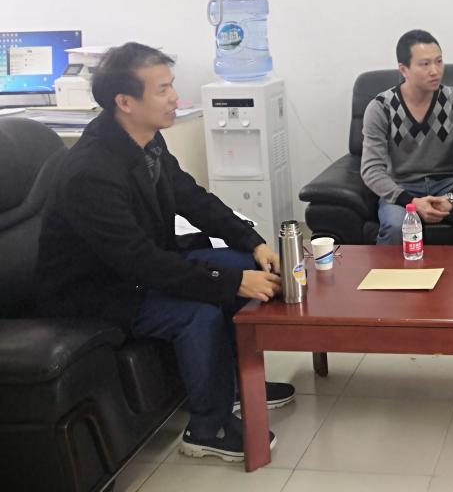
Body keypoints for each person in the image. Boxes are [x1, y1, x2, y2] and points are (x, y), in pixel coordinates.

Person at [35, 43, 295, 462]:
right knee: (200, 310)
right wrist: (229, 282)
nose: (175, 97)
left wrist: (252, 241)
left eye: (171, 86)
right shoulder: (91, 172)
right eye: (163, 90)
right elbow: (138, 260)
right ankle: (207, 428)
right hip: (98, 292)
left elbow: (192, 198)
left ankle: (235, 387)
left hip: (140, 270)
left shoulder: (147, 141)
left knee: (245, 264)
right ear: (125, 102)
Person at [361, 29, 453, 245]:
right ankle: (394, 270)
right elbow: (371, 169)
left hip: (447, 185)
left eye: (439, 61)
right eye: (425, 64)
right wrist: (411, 201)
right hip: (402, 188)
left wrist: (452, 197)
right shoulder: (381, 107)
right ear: (404, 69)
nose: (435, 71)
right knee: (396, 224)